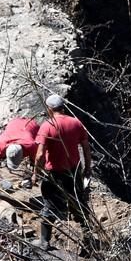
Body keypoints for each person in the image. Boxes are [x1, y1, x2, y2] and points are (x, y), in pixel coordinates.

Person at [31, 94, 92, 249]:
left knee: (49, 205)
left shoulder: (47, 125)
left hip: (54, 174)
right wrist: (87, 169)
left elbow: (39, 155)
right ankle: (88, 238)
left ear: (50, 109)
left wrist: (35, 173)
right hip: (74, 171)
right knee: (79, 204)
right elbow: (86, 147)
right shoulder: (76, 123)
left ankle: (44, 241)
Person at [0, 117, 39, 190]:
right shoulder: (0, 145)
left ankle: (28, 173)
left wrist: (34, 175)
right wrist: (2, 181)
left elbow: (38, 160)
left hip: (31, 124)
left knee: (34, 161)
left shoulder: (31, 145)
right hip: (14, 123)